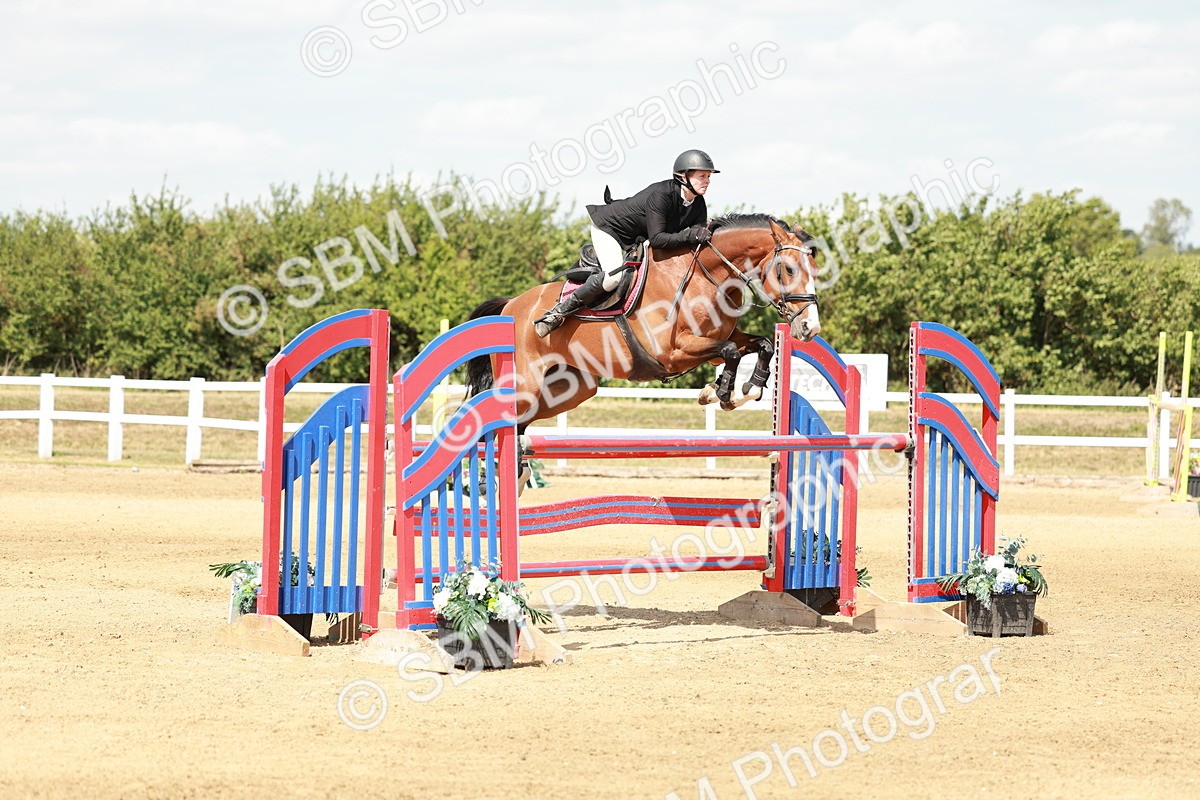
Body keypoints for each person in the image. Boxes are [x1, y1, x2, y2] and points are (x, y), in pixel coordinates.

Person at [533, 149, 719, 337]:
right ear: (683, 176)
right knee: (614, 278)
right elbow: (658, 239)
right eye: (702, 176)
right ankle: (558, 312)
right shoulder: (661, 194)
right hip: (610, 229)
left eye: (709, 176)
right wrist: (692, 236)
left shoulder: (698, 203)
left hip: (636, 238)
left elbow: (697, 236)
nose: (707, 181)